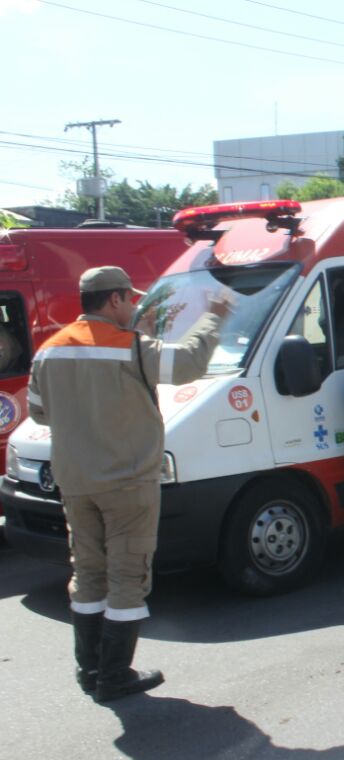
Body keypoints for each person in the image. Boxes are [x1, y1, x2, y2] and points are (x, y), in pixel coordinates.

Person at [28, 266, 228, 702]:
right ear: (114, 300)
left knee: (88, 573)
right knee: (126, 576)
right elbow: (189, 363)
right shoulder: (130, 347)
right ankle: (116, 675)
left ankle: (90, 670)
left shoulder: (49, 350)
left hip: (75, 482)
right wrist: (213, 316)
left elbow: (40, 412)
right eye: (130, 299)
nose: (134, 306)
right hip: (126, 482)